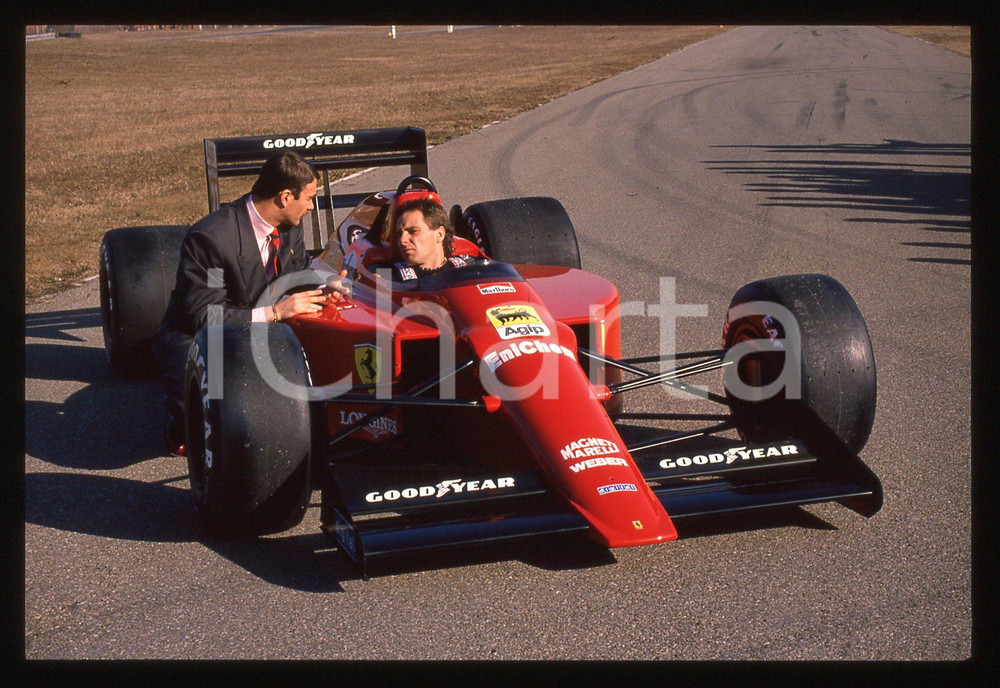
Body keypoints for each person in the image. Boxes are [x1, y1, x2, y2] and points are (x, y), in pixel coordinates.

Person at [154, 150, 348, 455]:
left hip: (261, 323)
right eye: (309, 198)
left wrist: (325, 284)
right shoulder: (213, 239)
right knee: (219, 426)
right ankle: (181, 421)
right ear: (285, 197)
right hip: (201, 337)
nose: (311, 206)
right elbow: (208, 317)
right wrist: (276, 312)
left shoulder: (289, 225)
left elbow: (296, 272)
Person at [390, 197, 474, 281]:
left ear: (439, 234)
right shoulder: (385, 277)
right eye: (399, 234)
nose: (402, 240)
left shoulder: (469, 269)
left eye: (413, 231)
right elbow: (381, 291)